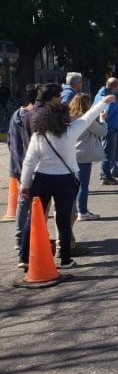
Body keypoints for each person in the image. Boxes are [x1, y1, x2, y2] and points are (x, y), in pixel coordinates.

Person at [18, 93, 115, 268]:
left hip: (42, 179)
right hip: (65, 179)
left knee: (33, 219)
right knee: (63, 220)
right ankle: (64, 259)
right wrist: (102, 102)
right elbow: (88, 117)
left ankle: (24, 258)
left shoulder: (39, 136)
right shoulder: (70, 131)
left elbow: (29, 163)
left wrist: (24, 185)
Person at [7, 84, 37, 251]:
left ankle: (20, 237)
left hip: (17, 162)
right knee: (34, 202)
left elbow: (10, 141)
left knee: (23, 201)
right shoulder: (33, 116)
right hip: (30, 164)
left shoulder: (16, 114)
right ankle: (27, 239)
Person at [70, 93, 108, 221]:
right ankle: (82, 211)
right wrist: (103, 120)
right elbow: (102, 132)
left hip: (69, 153)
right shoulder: (86, 119)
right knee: (83, 185)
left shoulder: (69, 118)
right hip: (83, 154)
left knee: (73, 185)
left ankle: (73, 210)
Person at [94, 78, 118, 185]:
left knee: (106, 151)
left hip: (104, 127)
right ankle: (106, 176)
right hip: (110, 128)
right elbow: (107, 114)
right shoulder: (111, 98)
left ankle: (105, 175)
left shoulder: (98, 94)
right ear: (115, 86)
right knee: (108, 153)